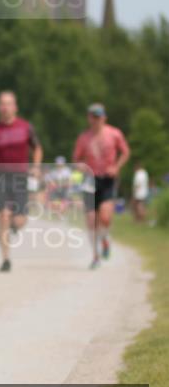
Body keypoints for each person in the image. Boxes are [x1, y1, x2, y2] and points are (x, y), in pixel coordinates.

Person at [0, 91, 43, 273]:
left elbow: (37, 147)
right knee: (4, 215)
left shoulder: (25, 127)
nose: (5, 107)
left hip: (21, 177)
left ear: (15, 107)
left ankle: (7, 230)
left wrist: (36, 166)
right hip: (0, 178)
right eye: (2, 104)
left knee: (20, 220)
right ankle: (6, 259)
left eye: (9, 104)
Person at [73, 104, 130, 268]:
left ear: (104, 118)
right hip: (90, 180)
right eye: (93, 117)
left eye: (99, 117)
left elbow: (125, 152)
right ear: (89, 118)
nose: (96, 120)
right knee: (91, 220)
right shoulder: (84, 138)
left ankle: (105, 239)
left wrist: (117, 167)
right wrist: (81, 166)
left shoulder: (114, 134)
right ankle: (95, 256)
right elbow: (76, 158)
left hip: (107, 179)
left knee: (105, 218)